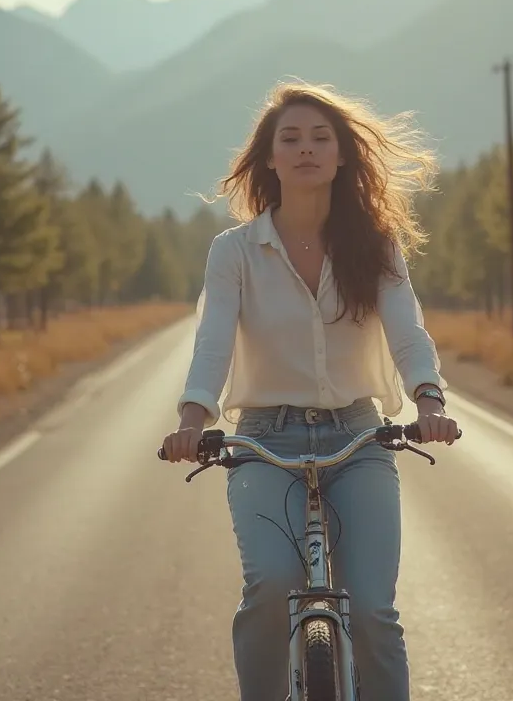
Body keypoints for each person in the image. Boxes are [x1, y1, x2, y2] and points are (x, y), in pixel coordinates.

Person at [163, 82, 460, 701]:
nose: (305, 149)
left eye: (320, 138)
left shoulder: (375, 244)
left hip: (360, 434)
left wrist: (429, 401)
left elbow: (407, 331)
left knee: (374, 610)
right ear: (268, 158)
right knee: (271, 587)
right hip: (263, 441)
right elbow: (213, 345)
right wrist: (193, 419)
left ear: (342, 155)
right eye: (289, 139)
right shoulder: (235, 252)